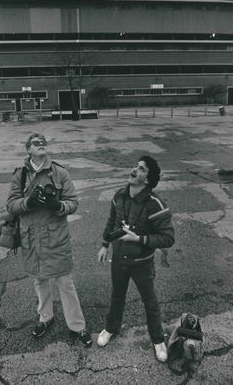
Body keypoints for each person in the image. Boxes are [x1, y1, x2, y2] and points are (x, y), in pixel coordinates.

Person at [6, 132, 92, 347]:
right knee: (40, 280)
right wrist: (28, 202)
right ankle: (45, 318)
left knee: (65, 281)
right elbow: (11, 205)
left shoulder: (59, 172)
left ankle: (77, 326)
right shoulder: (21, 175)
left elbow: (73, 202)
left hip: (56, 236)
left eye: (43, 142)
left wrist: (59, 206)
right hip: (31, 238)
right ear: (28, 150)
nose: (41, 144)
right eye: (36, 142)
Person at [97, 155, 174, 362]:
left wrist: (139, 238)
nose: (134, 170)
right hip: (119, 259)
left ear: (147, 180)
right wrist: (105, 245)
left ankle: (158, 340)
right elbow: (112, 221)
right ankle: (111, 328)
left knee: (150, 302)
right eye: (135, 166)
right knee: (117, 296)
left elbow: (168, 238)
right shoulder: (119, 195)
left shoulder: (155, 204)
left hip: (142, 264)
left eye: (141, 169)